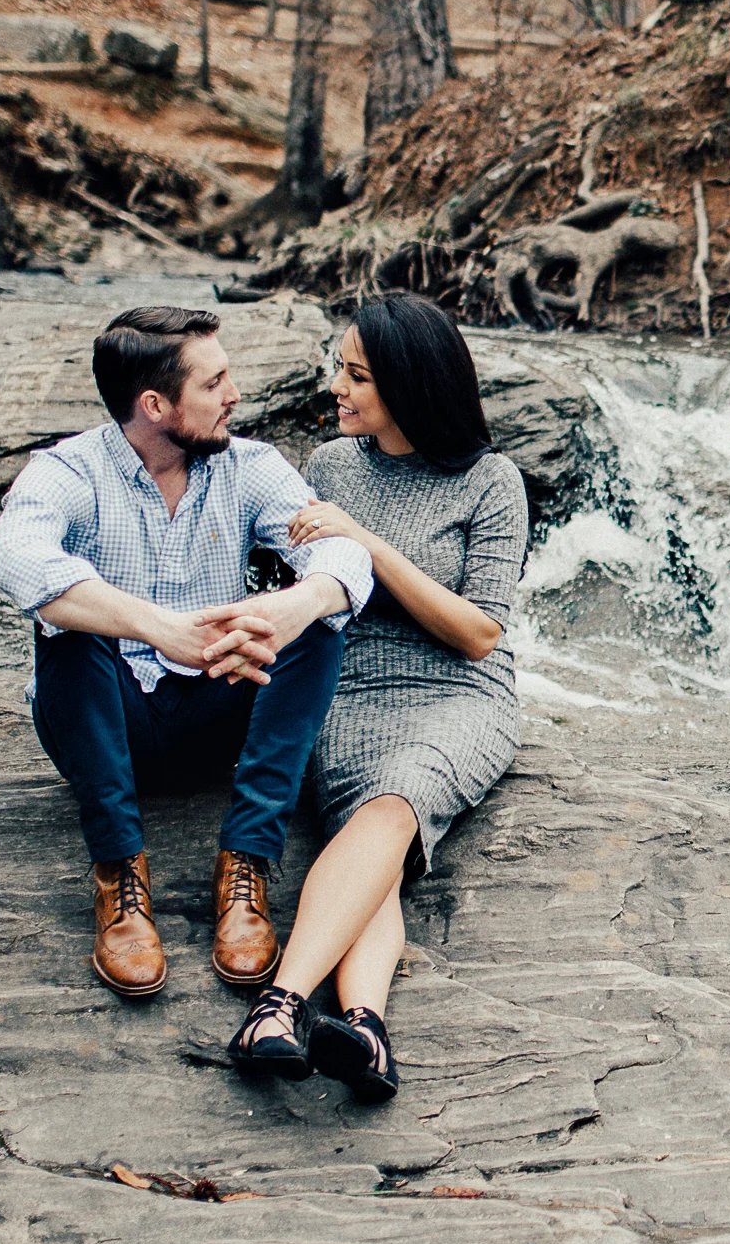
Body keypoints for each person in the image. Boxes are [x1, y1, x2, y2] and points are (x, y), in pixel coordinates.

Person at [0, 306, 373, 999]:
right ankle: (119, 877)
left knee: (317, 617)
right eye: (215, 383)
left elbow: (344, 554)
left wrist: (296, 602)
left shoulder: (249, 466)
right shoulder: (68, 470)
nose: (235, 395)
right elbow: (18, 559)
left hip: (216, 712)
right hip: (108, 723)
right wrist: (160, 628)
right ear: (155, 405)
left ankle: (248, 865)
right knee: (68, 622)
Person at [226, 292, 528, 1102]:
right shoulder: (329, 468)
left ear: (410, 384)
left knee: (395, 806)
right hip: (347, 684)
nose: (337, 388)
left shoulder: (491, 482)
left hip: (457, 692)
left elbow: (478, 632)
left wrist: (365, 541)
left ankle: (278, 1004)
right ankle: (365, 1029)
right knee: (378, 849)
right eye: (339, 369)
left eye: (356, 376)